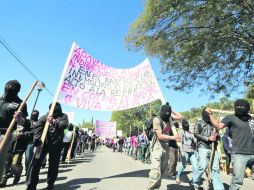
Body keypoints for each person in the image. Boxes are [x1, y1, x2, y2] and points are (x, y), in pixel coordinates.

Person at [207, 99, 254, 190]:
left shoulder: (251, 119)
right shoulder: (230, 118)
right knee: (237, 181)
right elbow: (218, 126)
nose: (241, 108)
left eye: (243, 107)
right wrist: (210, 115)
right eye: (238, 107)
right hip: (240, 154)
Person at [26, 102, 69, 190]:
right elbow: (38, 127)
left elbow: (64, 125)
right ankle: (32, 185)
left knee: (54, 165)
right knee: (36, 164)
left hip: (56, 145)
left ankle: (50, 183)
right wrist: (37, 139)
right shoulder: (45, 116)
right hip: (43, 144)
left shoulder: (64, 116)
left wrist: (53, 121)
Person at [0, 80, 28, 187]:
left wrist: (20, 118)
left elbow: (23, 122)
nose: (8, 89)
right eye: (7, 87)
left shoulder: (20, 104)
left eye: (12, 88)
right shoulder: (0, 100)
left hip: (5, 133)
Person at [147, 103, 180, 190]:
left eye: (168, 113)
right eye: (166, 113)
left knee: (162, 170)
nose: (167, 115)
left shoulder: (170, 119)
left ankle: (156, 187)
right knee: (155, 170)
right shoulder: (157, 120)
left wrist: (171, 110)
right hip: (157, 145)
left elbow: (181, 117)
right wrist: (174, 137)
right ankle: (150, 188)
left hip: (166, 146)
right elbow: (160, 135)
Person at [192, 108, 224, 190]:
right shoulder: (199, 123)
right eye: (207, 112)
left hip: (213, 148)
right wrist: (208, 138)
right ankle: (195, 182)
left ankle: (219, 188)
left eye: (210, 112)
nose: (208, 114)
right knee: (202, 167)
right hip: (203, 147)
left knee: (215, 169)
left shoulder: (213, 124)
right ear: (203, 113)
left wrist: (216, 135)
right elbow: (196, 134)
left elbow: (218, 136)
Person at [176, 118, 198, 184]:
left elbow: (195, 141)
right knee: (184, 165)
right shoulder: (182, 132)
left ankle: (194, 181)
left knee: (195, 167)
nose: (187, 126)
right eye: (186, 125)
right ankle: (178, 176)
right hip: (185, 151)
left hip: (192, 151)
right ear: (183, 126)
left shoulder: (190, 132)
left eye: (187, 125)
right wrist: (181, 151)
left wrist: (195, 135)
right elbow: (180, 142)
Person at [25, 110, 39, 175]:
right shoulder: (28, 121)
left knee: (34, 156)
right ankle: (27, 169)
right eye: (33, 113)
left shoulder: (39, 122)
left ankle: (31, 169)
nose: (34, 115)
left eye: (35, 114)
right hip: (27, 141)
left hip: (35, 142)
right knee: (28, 157)